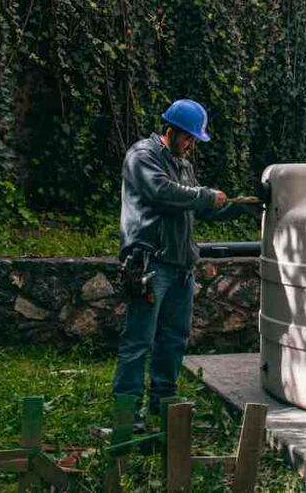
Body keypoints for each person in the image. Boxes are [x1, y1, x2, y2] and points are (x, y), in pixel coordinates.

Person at [112, 99, 249, 427]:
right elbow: (161, 192)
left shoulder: (183, 164)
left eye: (193, 140)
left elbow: (198, 207)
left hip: (181, 266)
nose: (190, 145)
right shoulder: (142, 157)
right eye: (187, 137)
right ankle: (126, 416)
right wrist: (204, 195)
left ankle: (165, 404)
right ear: (170, 130)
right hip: (149, 264)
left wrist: (241, 205)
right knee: (138, 341)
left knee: (174, 338)